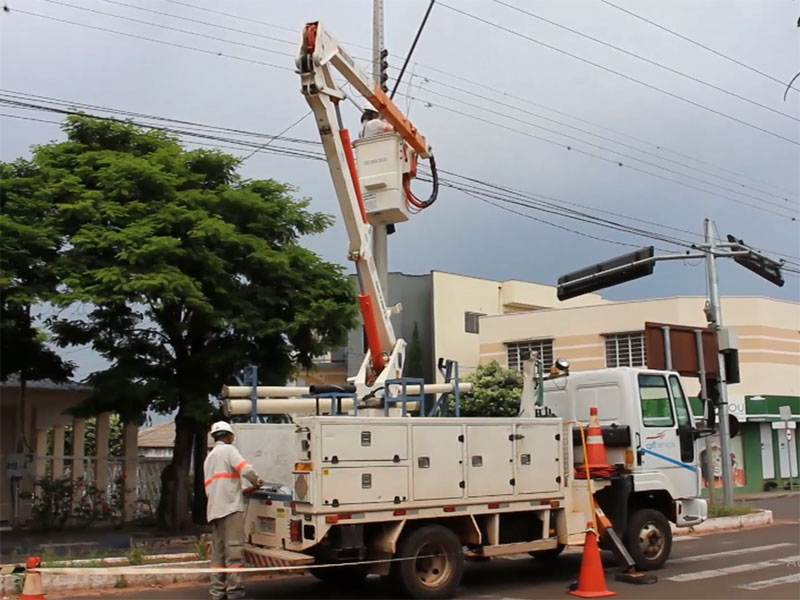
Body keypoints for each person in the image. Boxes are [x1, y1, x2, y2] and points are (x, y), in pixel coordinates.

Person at [204, 421, 262, 600]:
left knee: (218, 555)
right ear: (228, 436)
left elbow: (220, 484)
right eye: (232, 436)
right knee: (234, 552)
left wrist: (240, 489)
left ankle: (217, 592)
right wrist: (256, 482)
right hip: (230, 508)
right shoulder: (228, 450)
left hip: (214, 509)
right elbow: (245, 469)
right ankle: (235, 593)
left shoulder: (210, 457)